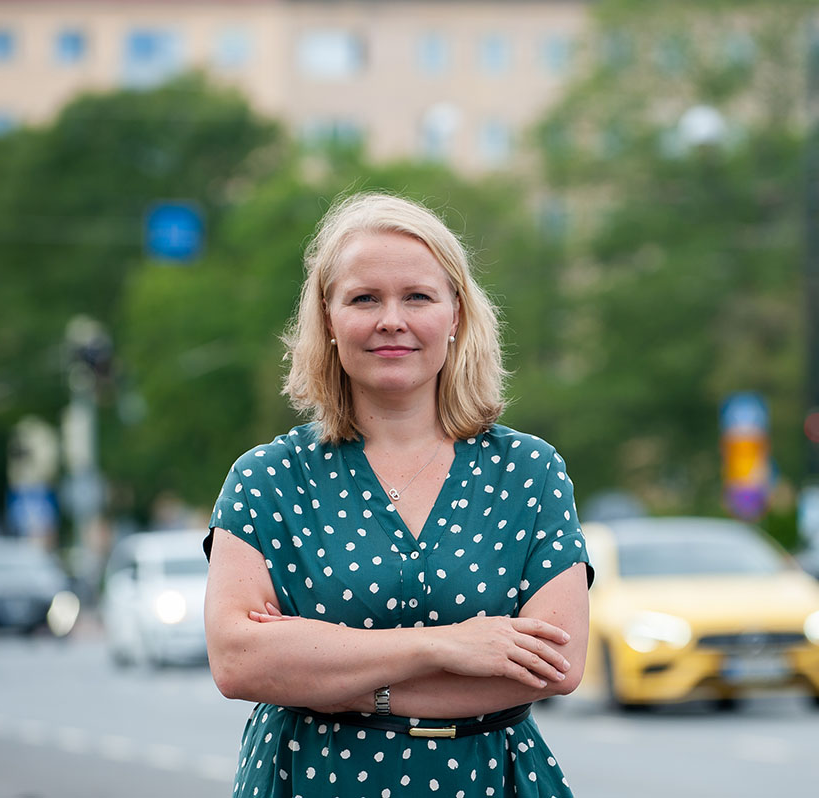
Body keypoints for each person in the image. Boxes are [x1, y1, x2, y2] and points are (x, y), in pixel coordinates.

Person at [203, 191, 592, 798]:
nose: (391, 319)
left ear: (456, 314)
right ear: (328, 319)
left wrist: (322, 670)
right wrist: (450, 645)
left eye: (417, 296)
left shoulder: (529, 472)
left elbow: (553, 666)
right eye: (364, 298)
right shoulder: (268, 479)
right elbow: (238, 662)